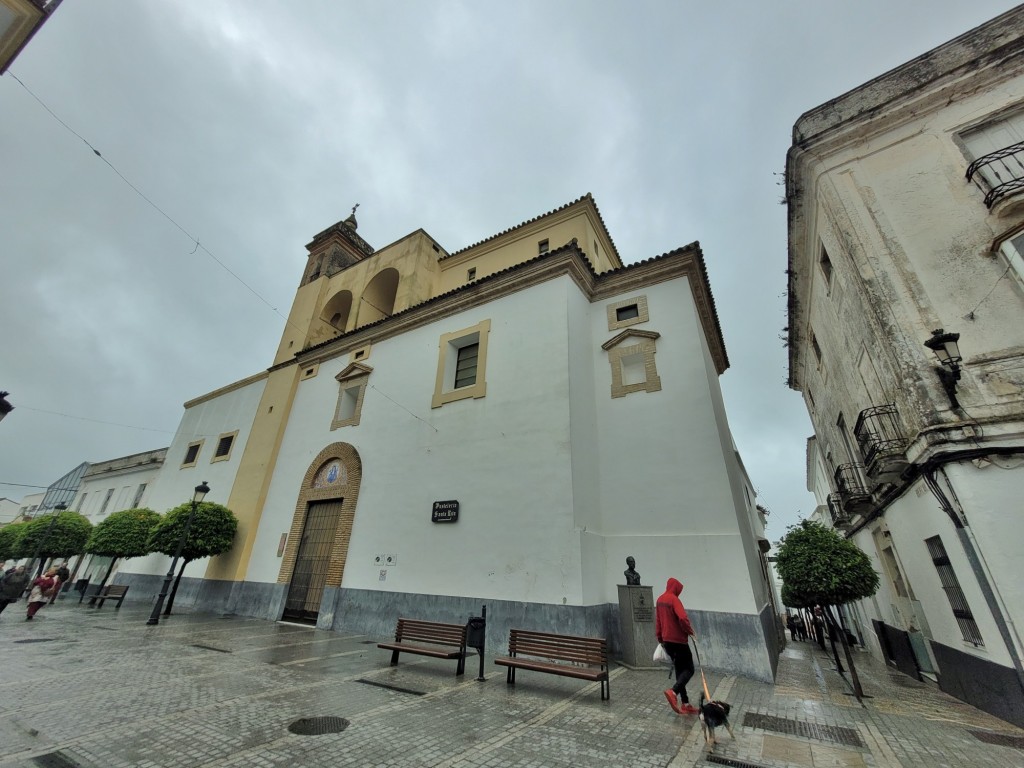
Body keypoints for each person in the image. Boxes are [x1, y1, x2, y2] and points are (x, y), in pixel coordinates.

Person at [655, 576, 698, 715]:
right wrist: (690, 631)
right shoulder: (674, 600)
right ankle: (673, 692)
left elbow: (658, 622)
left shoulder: (660, 600)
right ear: (676, 588)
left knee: (680, 671)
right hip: (679, 641)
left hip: (667, 642)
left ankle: (685, 703)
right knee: (689, 669)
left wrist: (660, 638)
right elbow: (683, 618)